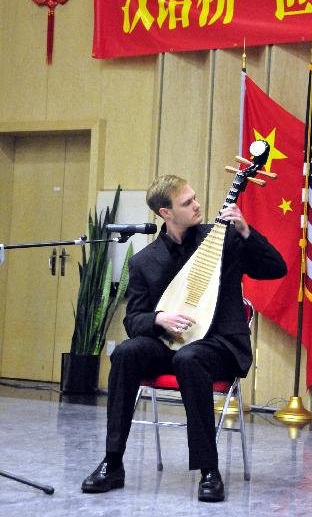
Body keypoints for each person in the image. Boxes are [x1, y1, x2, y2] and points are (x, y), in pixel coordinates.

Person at [82, 174, 287, 501]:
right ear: (166, 213)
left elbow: (276, 269)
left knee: (189, 358)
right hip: (169, 345)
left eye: (194, 197)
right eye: (186, 202)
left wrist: (246, 231)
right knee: (125, 353)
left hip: (219, 346)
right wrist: (160, 318)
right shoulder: (144, 262)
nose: (196, 205)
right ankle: (113, 462)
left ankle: (209, 470)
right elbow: (134, 320)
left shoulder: (221, 239)